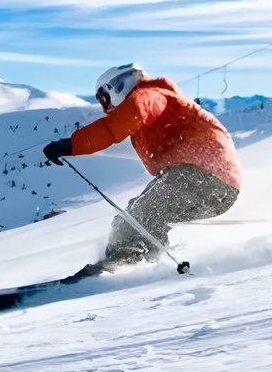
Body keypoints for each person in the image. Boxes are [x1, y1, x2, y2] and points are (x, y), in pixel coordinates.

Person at [43, 64, 241, 274]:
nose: (105, 105)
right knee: (127, 219)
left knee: (144, 214)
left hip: (206, 178)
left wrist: (72, 145)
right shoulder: (155, 101)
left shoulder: (149, 95)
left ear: (118, 87)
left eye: (104, 98)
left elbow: (111, 128)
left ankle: (132, 265)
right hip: (198, 181)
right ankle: (116, 265)